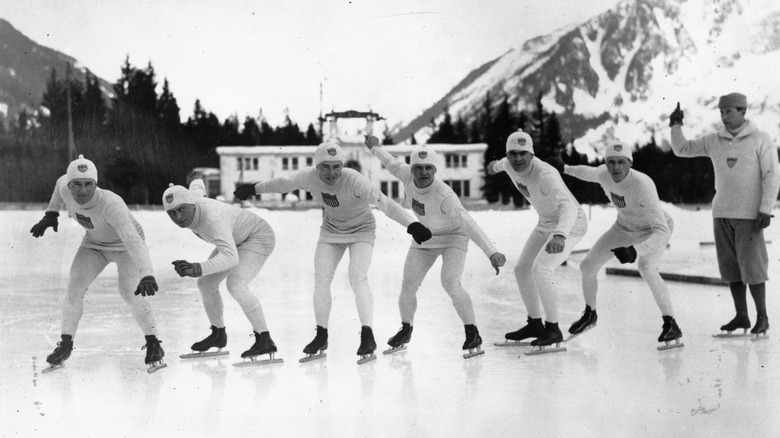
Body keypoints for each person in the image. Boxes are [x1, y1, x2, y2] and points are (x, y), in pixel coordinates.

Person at [233, 141, 432, 364]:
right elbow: (284, 183)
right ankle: (321, 335)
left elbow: (384, 203)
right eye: (325, 167)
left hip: (362, 231)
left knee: (357, 277)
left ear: (342, 166)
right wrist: (254, 188)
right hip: (332, 231)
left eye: (336, 166)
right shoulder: (309, 177)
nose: (331, 173)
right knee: (321, 279)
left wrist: (411, 224)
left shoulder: (355, 180)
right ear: (317, 167)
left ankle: (368, 335)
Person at [364, 135, 507, 359]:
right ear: (412, 169)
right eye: (418, 168)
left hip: (454, 238)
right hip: (426, 237)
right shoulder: (406, 175)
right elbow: (390, 162)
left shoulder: (444, 195)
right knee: (408, 284)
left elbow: (469, 224)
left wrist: (492, 252)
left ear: (435, 169)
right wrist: (374, 147)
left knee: (450, 281)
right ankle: (406, 329)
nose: (423, 173)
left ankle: (473, 332)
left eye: (428, 168)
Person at [30, 155, 165, 373]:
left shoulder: (111, 204)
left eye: (88, 184)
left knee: (130, 292)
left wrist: (147, 273)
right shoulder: (64, 186)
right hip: (93, 244)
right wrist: (51, 213)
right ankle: (65, 345)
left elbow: (133, 240)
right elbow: (58, 187)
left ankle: (154, 344)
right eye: (77, 185)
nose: (82, 191)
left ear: (96, 183)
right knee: (74, 288)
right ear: (70, 184)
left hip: (125, 247)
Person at [548, 141, 683, 349]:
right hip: (623, 228)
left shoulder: (643, 185)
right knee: (587, 266)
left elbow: (662, 230)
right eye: (611, 162)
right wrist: (565, 169)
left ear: (630, 163)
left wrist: (636, 250)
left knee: (646, 268)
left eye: (621, 162)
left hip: (653, 230)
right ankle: (590, 314)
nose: (616, 167)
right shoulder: (604, 174)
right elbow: (588, 172)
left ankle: (671, 323)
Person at [669, 93, 779, 337]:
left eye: (729, 112)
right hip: (721, 214)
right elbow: (682, 149)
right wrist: (675, 125)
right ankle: (741, 315)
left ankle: (762, 317)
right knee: (731, 268)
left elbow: (771, 175)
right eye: (722, 112)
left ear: (743, 111)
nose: (724, 117)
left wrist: (765, 208)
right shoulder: (714, 140)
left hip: (750, 215)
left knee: (753, 267)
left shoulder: (761, 140)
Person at [162, 171, 281, 365]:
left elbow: (230, 257)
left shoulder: (212, 219)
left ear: (191, 205)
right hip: (236, 238)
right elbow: (197, 188)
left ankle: (265, 339)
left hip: (257, 236)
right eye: (172, 213)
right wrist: (196, 179)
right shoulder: (192, 199)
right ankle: (218, 335)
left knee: (236, 285)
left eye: (182, 209)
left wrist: (197, 267)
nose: (178, 217)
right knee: (206, 283)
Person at [487, 130, 588, 351]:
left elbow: (569, 207)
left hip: (570, 224)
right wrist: (493, 167)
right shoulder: (508, 163)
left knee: (542, 269)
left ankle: (553, 329)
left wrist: (560, 235)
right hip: (545, 222)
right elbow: (497, 165)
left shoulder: (546, 175)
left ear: (532, 154)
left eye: (523, 154)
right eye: (513, 153)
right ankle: (535, 324)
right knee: (522, 270)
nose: (518, 159)